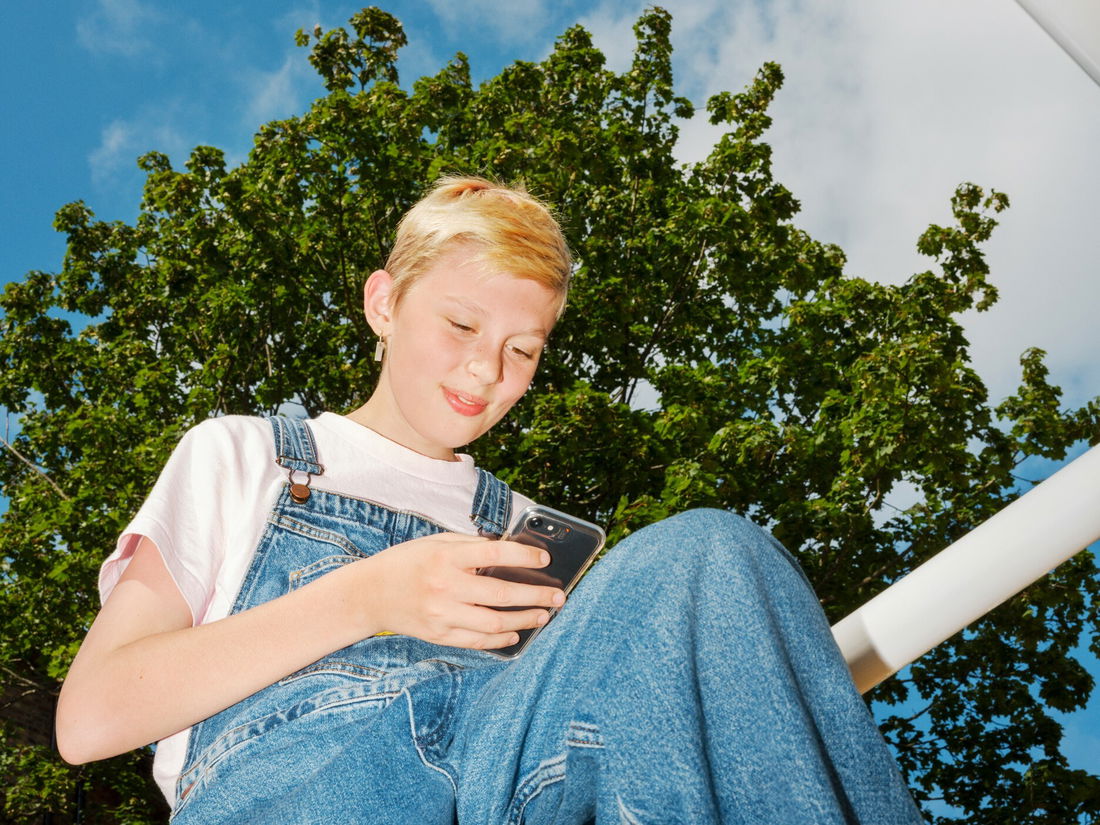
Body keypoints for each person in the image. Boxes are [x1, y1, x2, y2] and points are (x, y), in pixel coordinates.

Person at [55, 177, 926, 824]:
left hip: (497, 771)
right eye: (463, 326)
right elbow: (91, 718)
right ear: (384, 302)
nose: (487, 371)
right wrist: (369, 596)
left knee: (711, 557)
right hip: (304, 791)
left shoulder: (523, 531)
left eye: (524, 350)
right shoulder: (249, 455)